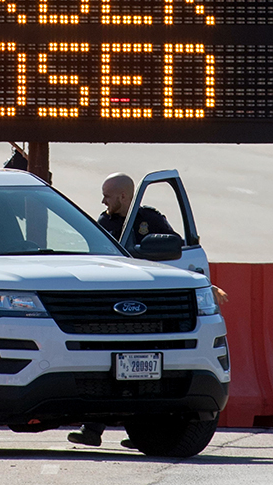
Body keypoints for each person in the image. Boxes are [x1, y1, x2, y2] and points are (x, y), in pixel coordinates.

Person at [68, 172, 228, 449]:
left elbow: (177, 255)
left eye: (107, 195)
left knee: (144, 373)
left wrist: (203, 285)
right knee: (109, 368)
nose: (103, 200)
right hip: (114, 309)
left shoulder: (150, 220)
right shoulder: (104, 223)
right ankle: (92, 427)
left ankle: (142, 431)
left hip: (152, 311)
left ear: (123, 196)